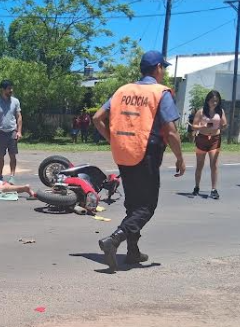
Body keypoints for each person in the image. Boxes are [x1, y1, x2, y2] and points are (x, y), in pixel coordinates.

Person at [92, 50, 186, 272]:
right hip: (146, 153)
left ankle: (133, 252)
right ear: (158, 68)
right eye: (163, 67)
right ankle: (114, 240)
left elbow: (97, 118)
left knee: (133, 204)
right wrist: (180, 158)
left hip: (124, 152)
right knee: (146, 207)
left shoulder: (122, 91)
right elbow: (171, 132)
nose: (163, 72)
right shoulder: (160, 93)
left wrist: (113, 139)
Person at [191, 90, 227, 199]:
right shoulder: (201, 112)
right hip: (202, 138)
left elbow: (224, 124)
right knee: (200, 165)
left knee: (214, 164)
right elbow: (194, 126)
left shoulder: (220, 111)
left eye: (216, 101)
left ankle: (213, 189)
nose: (214, 103)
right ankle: (197, 186)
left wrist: (222, 125)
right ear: (207, 101)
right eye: (212, 101)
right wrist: (202, 127)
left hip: (215, 139)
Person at [0, 80, 22, 184]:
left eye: (11, 88)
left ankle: (12, 176)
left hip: (12, 132)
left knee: (13, 155)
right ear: (3, 90)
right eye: (9, 89)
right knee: (0, 156)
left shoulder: (15, 101)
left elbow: (19, 116)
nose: (11, 90)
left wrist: (19, 131)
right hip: (1, 133)